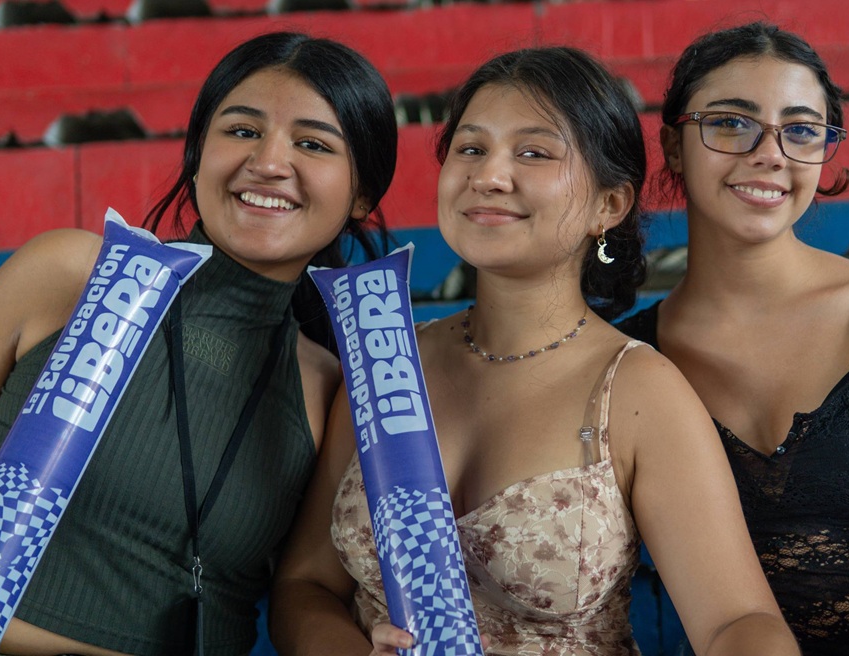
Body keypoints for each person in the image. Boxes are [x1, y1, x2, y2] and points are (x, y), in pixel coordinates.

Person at [268, 46, 800, 656]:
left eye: (534, 152)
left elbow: (739, 622)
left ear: (610, 205)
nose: (489, 175)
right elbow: (305, 585)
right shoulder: (388, 362)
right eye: (470, 149)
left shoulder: (636, 389)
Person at [0, 31, 397, 656]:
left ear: (361, 194)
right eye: (242, 130)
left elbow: (304, 595)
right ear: (197, 152)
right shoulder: (71, 274)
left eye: (312, 144)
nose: (269, 162)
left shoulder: (331, 389)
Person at [615, 22, 849, 655]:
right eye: (732, 123)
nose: (770, 153)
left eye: (802, 129)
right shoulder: (629, 360)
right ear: (674, 145)